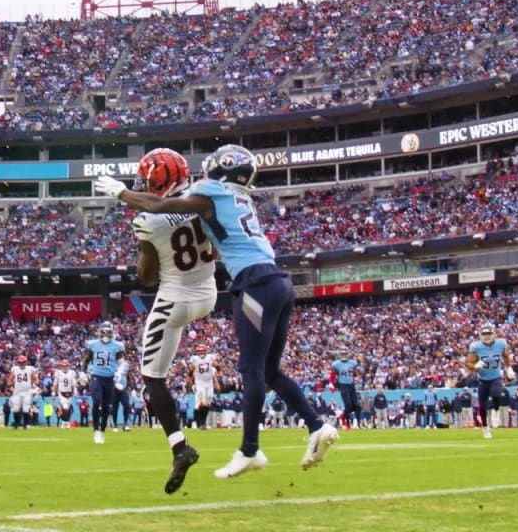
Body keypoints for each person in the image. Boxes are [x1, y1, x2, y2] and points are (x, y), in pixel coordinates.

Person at [96, 143, 338, 478]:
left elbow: (152, 251)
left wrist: (122, 193)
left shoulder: (201, 195)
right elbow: (179, 206)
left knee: (235, 370)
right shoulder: (229, 195)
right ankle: (315, 425)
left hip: (224, 288)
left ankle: (240, 450)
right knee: (270, 371)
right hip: (238, 287)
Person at [126, 147, 220, 491]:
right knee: (158, 369)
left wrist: (143, 253)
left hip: (175, 298)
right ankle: (181, 448)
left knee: (152, 377)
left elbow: (147, 278)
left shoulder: (149, 219)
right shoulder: (206, 199)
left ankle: (180, 447)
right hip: (208, 293)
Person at [466, 323, 515, 439]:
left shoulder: (500, 344)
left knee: (497, 394)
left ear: (493, 334)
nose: (486, 337)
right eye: (484, 334)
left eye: (488, 334)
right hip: (483, 379)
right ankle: (486, 428)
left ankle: (496, 410)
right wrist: (475, 367)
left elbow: (506, 356)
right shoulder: (476, 347)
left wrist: (509, 368)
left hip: (495, 377)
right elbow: (468, 364)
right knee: (482, 406)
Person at [83, 321, 125, 445]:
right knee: (96, 402)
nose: (106, 334)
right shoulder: (93, 344)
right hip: (97, 376)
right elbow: (86, 359)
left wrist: (119, 372)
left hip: (110, 378)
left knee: (107, 406)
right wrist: (83, 373)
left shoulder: (117, 345)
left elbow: (122, 362)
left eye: (108, 332)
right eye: (104, 331)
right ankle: (95, 430)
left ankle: (102, 430)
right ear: (100, 331)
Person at [189, 344, 219, 431]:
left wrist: (218, 367)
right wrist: (190, 379)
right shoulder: (194, 359)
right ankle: (201, 422)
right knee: (201, 401)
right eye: (199, 351)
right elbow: (191, 370)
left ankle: (203, 421)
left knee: (208, 402)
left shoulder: (210, 357)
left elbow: (216, 365)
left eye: (202, 351)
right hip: (199, 383)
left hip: (209, 383)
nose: (201, 353)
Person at [332, 350, 360, 429]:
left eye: (345, 353)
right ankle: (347, 423)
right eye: (342, 354)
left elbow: (354, 371)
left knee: (355, 405)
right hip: (343, 385)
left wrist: (356, 376)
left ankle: (343, 416)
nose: (344, 355)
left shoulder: (352, 363)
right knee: (348, 404)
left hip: (351, 384)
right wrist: (332, 384)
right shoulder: (337, 364)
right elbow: (333, 374)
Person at [8, 354, 38, 429]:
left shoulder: (30, 369)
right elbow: (10, 380)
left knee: (25, 408)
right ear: (18, 362)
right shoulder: (14, 369)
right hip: (17, 391)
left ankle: (25, 425)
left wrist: (36, 383)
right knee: (16, 408)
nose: (21, 364)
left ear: (25, 362)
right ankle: (16, 424)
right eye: (20, 362)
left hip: (27, 391)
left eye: (23, 362)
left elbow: (35, 379)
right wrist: (10, 385)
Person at [53, 359, 78, 428]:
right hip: (61, 392)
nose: (64, 367)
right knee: (65, 407)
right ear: (61, 366)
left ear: (68, 366)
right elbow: (55, 384)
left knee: (68, 408)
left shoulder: (72, 372)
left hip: (69, 393)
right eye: (63, 366)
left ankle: (65, 422)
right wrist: (53, 393)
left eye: (66, 366)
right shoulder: (58, 373)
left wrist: (75, 391)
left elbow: (74, 383)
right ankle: (65, 422)